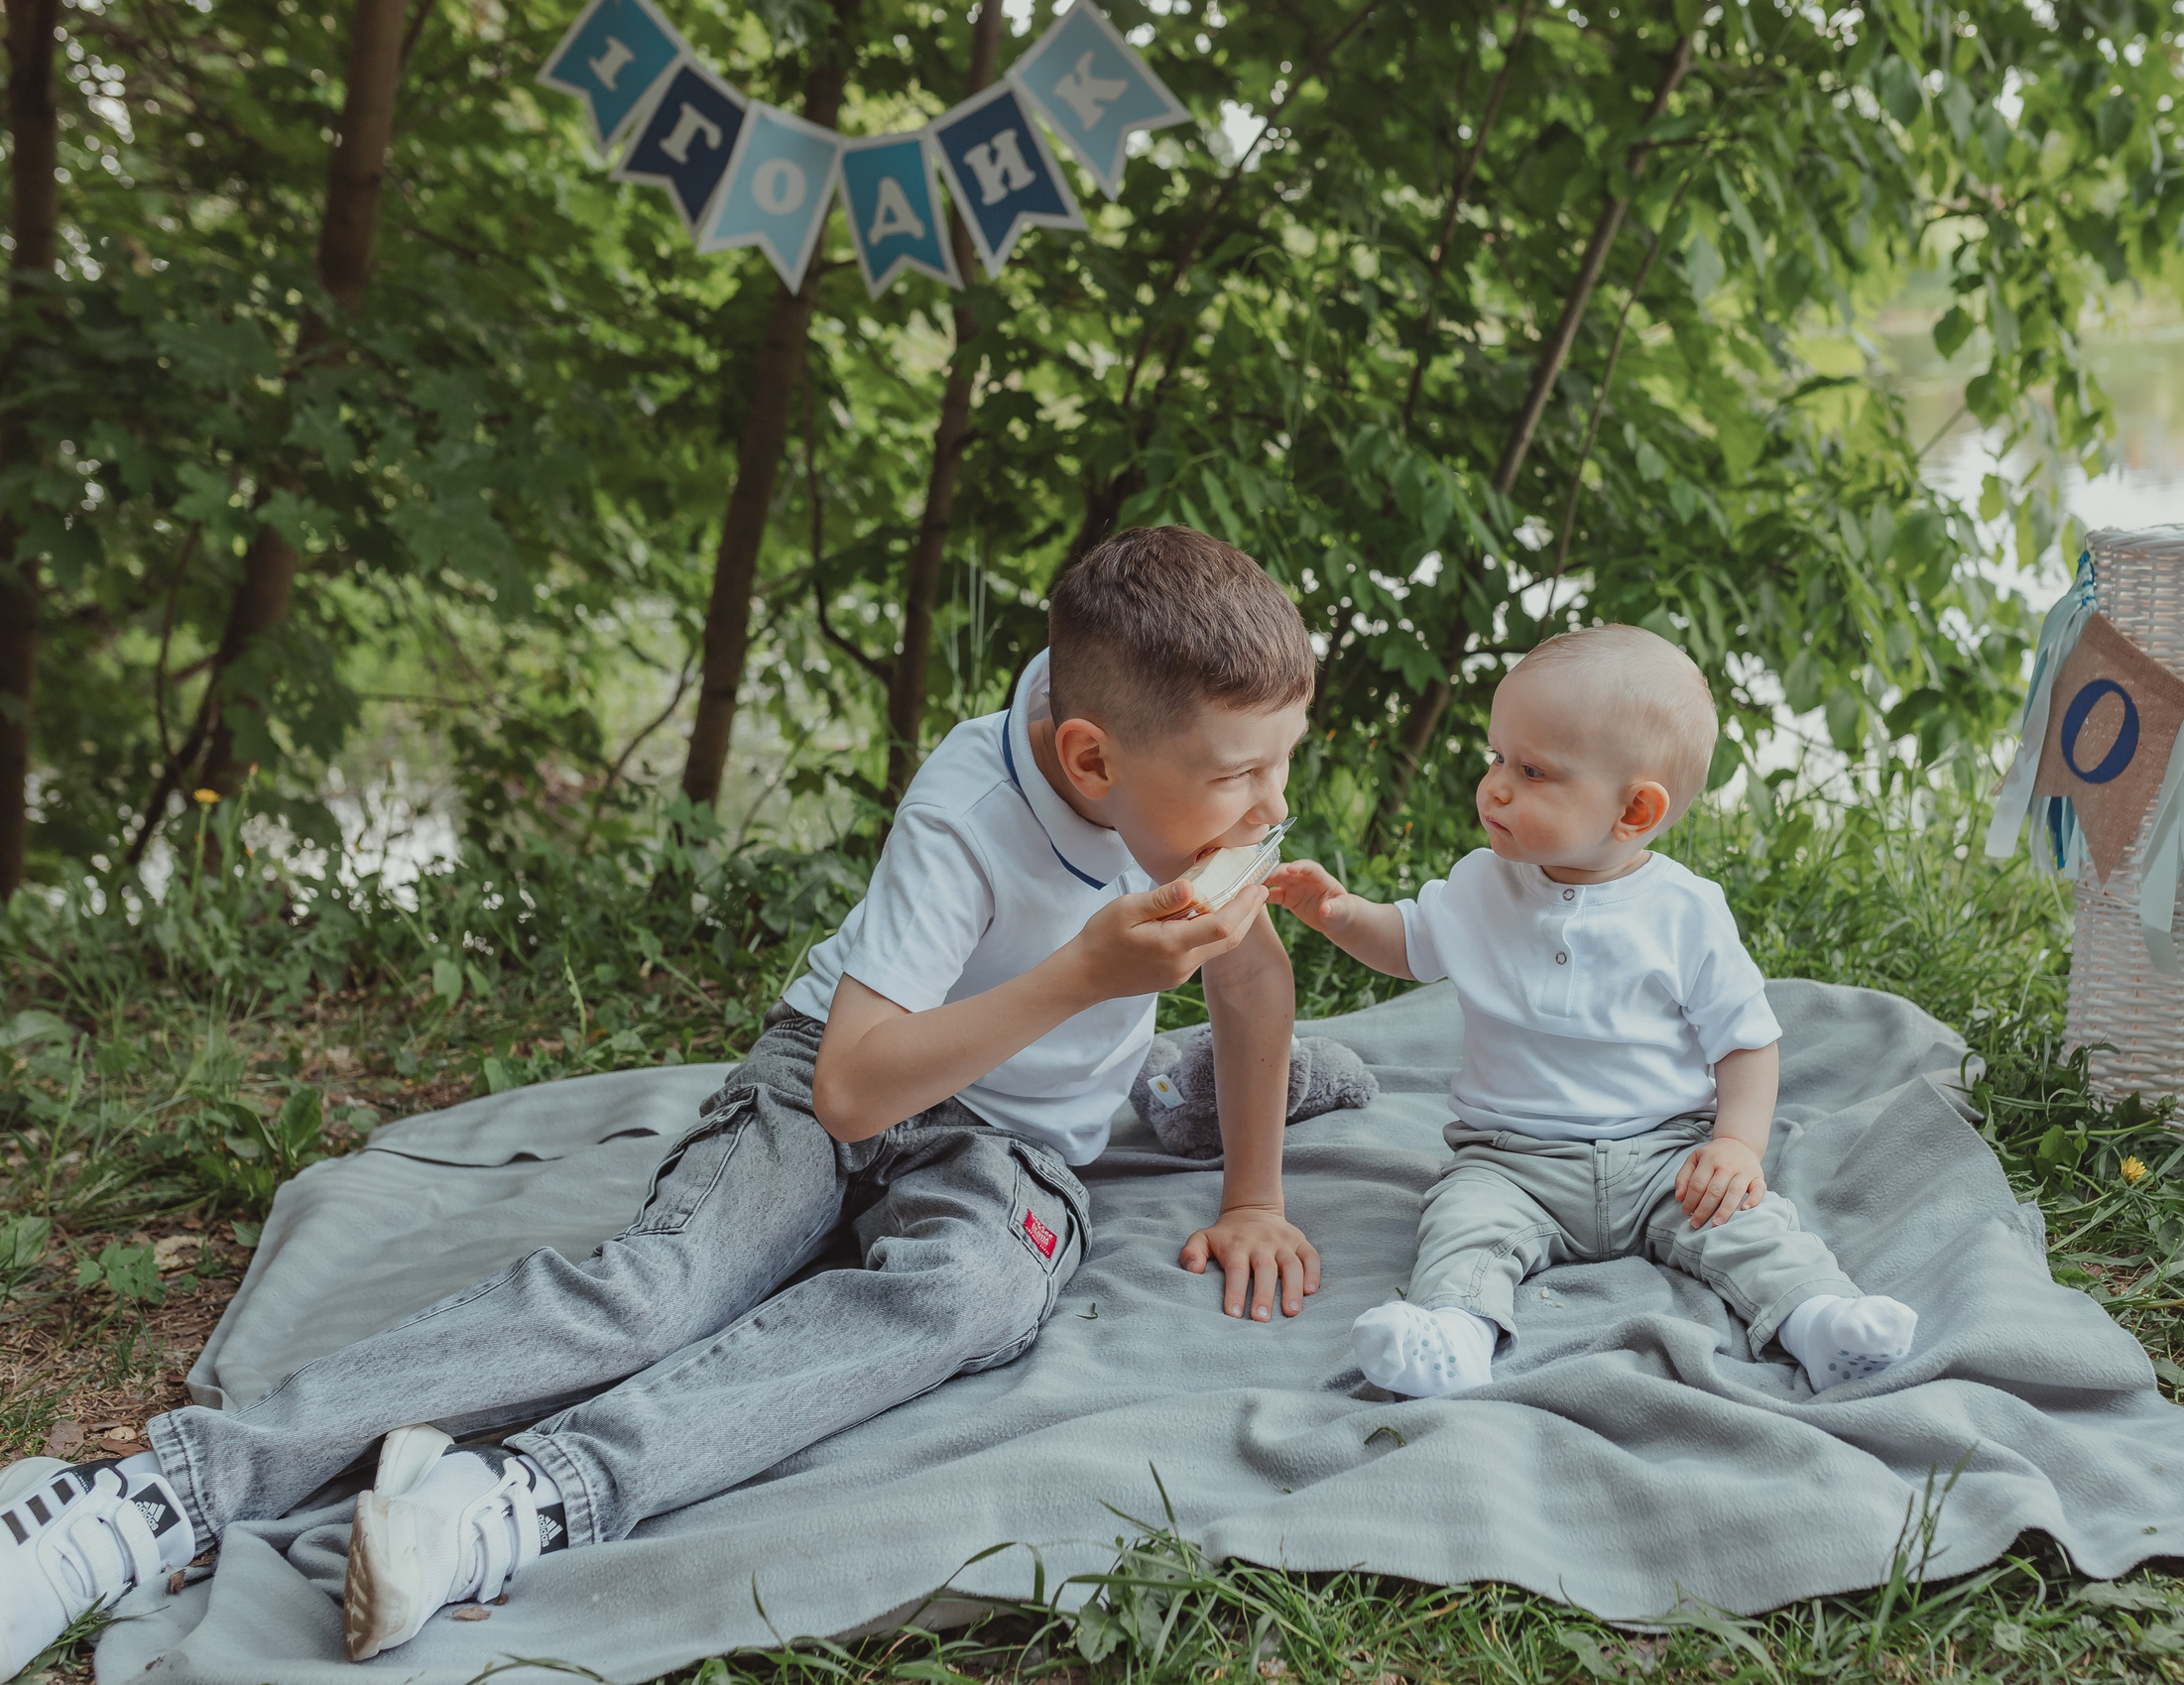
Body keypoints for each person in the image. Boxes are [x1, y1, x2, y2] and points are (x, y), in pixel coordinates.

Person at [0, 527, 1323, 1671]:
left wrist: (1254, 1193)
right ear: (1089, 759)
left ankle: (510, 1499)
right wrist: (1083, 969)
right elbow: (856, 1087)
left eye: (1286, 759)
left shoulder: (1206, 811)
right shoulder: (969, 803)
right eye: (1240, 775)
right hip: (831, 1072)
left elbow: (1254, 989)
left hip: (1017, 1145)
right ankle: (144, 1498)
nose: (1273, 803)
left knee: (974, 1292)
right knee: (664, 1287)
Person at [1268, 625, 1916, 1400]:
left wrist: (1737, 1146)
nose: (1497, 786)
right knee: (1462, 1228)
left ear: (1635, 810)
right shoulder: (1482, 883)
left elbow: (1746, 1042)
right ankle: (1455, 1336)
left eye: (1533, 770)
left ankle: (1821, 1321)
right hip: (1510, 1159)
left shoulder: (1684, 911)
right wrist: (1341, 913)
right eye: (1497, 757)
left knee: (1750, 1224)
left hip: (1663, 1153)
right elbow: (1411, 941)